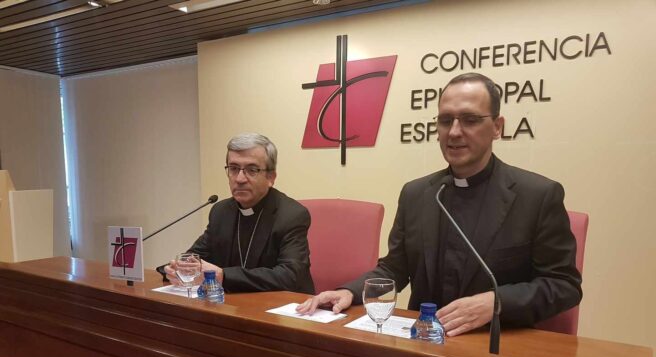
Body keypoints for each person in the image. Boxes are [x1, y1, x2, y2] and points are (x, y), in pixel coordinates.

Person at [297, 73, 582, 336]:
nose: (454, 132)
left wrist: (496, 302)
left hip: (496, 343)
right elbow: (394, 268)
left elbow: (564, 286)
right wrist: (349, 292)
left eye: (469, 120)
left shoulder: (537, 195)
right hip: (422, 342)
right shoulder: (417, 193)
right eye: (446, 120)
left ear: (497, 127)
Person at [161, 132, 315, 294]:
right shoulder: (221, 212)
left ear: (271, 177)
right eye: (233, 169)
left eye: (252, 170)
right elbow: (196, 258)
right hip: (231, 306)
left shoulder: (291, 215)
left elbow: (290, 276)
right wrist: (175, 269)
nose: (240, 179)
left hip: (281, 310)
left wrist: (224, 276)